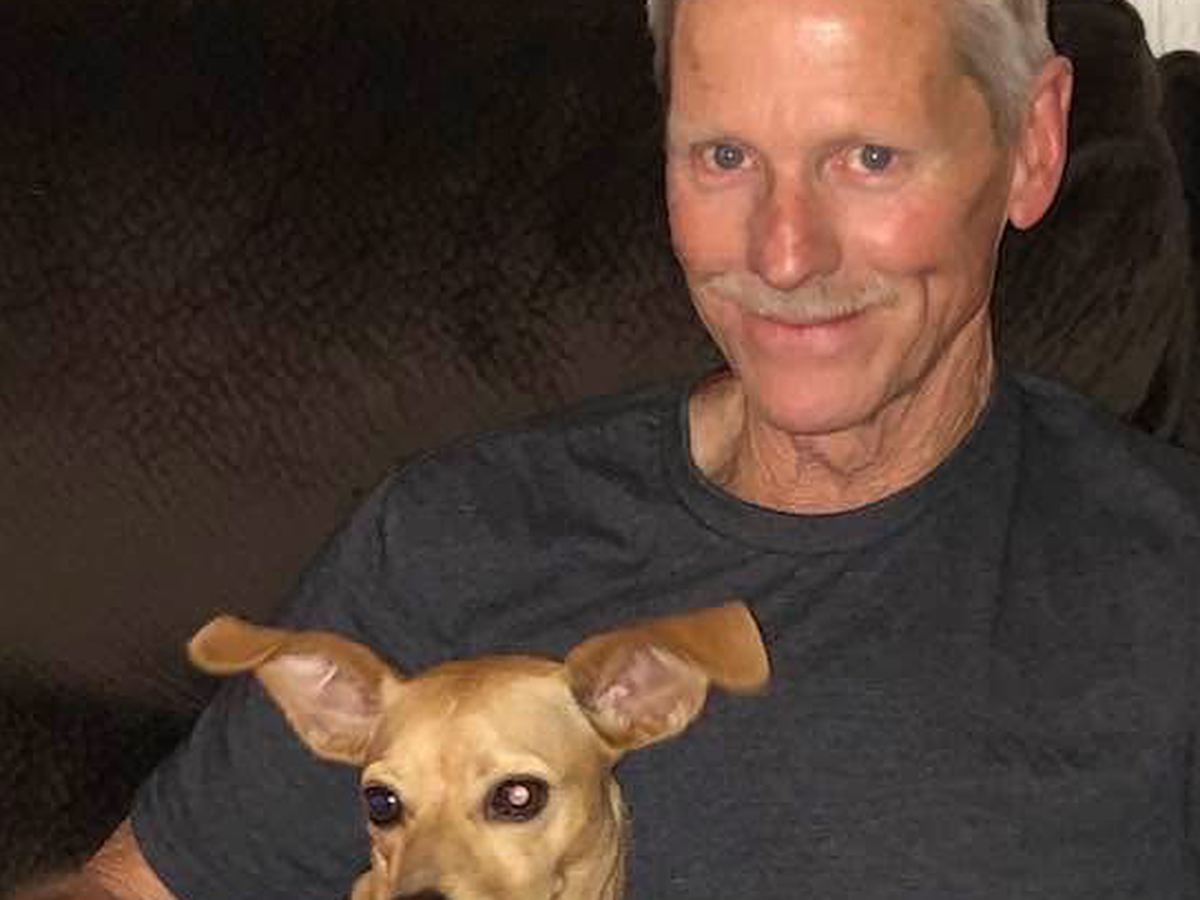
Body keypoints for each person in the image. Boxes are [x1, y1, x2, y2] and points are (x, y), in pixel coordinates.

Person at [19, 0, 1200, 897]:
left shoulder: (1169, 578)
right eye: (723, 157)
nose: (784, 253)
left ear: (1032, 144)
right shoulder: (453, 538)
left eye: (868, 157)